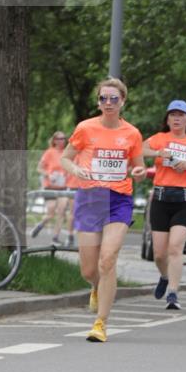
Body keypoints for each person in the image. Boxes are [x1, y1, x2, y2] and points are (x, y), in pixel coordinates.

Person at [61, 77, 146, 342]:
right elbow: (65, 158)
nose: (108, 103)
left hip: (119, 199)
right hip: (89, 198)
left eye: (113, 98)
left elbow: (138, 168)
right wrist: (76, 169)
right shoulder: (85, 128)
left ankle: (101, 323)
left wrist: (139, 172)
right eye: (103, 98)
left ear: (123, 101)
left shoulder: (132, 133)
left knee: (107, 259)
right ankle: (96, 286)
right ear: (98, 101)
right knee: (88, 269)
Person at [143, 100, 186, 311]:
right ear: (168, 119)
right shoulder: (160, 138)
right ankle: (164, 276)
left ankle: (173, 293)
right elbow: (139, 150)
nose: (177, 119)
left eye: (181, 115)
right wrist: (158, 153)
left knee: (175, 248)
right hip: (161, 200)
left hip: (184, 200)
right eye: (173, 115)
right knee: (160, 254)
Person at [32, 131, 71, 243]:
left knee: (62, 212)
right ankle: (40, 224)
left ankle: (55, 237)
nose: (61, 141)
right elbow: (39, 168)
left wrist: (68, 174)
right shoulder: (49, 152)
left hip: (62, 187)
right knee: (51, 213)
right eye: (58, 139)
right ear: (54, 140)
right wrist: (48, 174)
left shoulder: (67, 153)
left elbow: (70, 167)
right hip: (50, 186)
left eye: (63, 138)